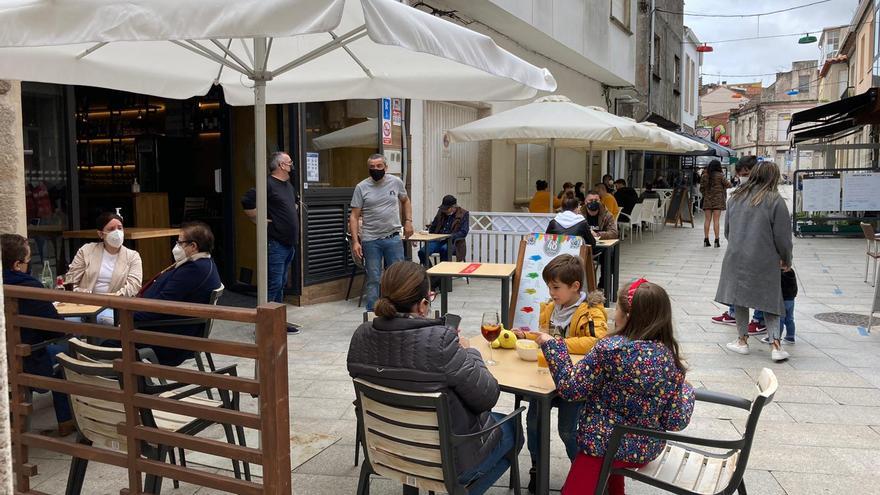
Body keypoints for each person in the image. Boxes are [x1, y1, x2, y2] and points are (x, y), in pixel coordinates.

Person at [347, 261, 522, 495]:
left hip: (386, 450)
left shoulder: (361, 336)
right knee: (513, 427)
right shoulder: (441, 343)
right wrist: (469, 352)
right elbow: (487, 396)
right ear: (422, 305)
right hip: (443, 461)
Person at [535, 279, 694, 495]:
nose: (613, 313)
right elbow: (675, 421)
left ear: (627, 316)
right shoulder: (671, 359)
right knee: (613, 474)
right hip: (646, 449)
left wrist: (552, 346)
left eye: (617, 307)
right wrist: (686, 391)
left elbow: (571, 389)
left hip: (602, 446)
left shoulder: (610, 350)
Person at [512, 255, 608, 493]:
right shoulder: (550, 308)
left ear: (575, 286)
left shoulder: (591, 312)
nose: (551, 292)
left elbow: (597, 341)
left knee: (568, 430)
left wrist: (557, 345)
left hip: (576, 382)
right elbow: (543, 335)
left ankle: (584, 472)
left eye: (556, 287)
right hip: (547, 377)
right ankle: (536, 467)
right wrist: (526, 336)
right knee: (534, 420)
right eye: (549, 287)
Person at [716, 162, 793, 363]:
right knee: (770, 300)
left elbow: (727, 231)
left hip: (736, 256)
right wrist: (786, 258)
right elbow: (783, 237)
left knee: (739, 298)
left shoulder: (735, 198)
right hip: (765, 258)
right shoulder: (775, 200)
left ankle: (742, 341)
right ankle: (776, 346)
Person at [1, 233, 74, 435]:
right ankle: (68, 421)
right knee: (68, 351)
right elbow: (56, 329)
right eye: (28, 261)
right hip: (25, 359)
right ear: (17, 265)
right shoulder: (28, 287)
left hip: (7, 355)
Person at [134, 222, 222, 366]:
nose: (176, 247)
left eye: (180, 243)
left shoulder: (194, 270)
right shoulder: (203, 263)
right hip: (167, 328)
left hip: (168, 338)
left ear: (193, 246)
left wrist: (126, 315)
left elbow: (161, 306)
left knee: (105, 338)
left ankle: (112, 383)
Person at [241, 151, 301, 334]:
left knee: (281, 283)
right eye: (290, 162)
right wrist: (258, 219)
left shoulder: (288, 185)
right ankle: (264, 327)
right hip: (275, 243)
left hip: (288, 243)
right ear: (282, 165)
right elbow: (247, 201)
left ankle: (277, 322)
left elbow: (292, 204)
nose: (292, 165)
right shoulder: (267, 184)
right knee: (273, 284)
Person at [349, 154, 413, 311]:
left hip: (393, 237)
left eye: (379, 166)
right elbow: (354, 216)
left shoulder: (396, 182)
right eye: (372, 167)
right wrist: (356, 241)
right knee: (374, 278)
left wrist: (408, 222)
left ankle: (398, 310)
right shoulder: (361, 187)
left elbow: (405, 201)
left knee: (397, 277)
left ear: (386, 167)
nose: (375, 169)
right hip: (371, 240)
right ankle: (372, 314)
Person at [710, 155, 757, 326]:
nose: (743, 176)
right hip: (720, 203)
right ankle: (736, 313)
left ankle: (756, 318)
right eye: (741, 173)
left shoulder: (762, 195)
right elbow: (728, 227)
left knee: (755, 282)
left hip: (755, 247)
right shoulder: (734, 191)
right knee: (740, 280)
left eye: (746, 172)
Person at [64, 212, 142, 297]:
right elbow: (71, 279)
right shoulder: (86, 250)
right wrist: (80, 293)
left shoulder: (133, 256)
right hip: (85, 302)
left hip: (116, 305)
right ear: (101, 234)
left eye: (120, 228)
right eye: (111, 229)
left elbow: (133, 287)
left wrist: (109, 298)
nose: (117, 232)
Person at [418, 194, 469, 264]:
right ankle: (430, 271)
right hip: (438, 240)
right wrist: (428, 232)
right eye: (443, 208)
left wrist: (449, 237)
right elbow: (433, 226)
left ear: (453, 207)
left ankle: (444, 273)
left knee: (444, 249)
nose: (444, 210)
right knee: (422, 252)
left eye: (446, 209)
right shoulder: (441, 212)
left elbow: (464, 232)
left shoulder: (463, 213)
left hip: (454, 242)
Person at [758, 267, 798, 344]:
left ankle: (776, 338)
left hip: (781, 300)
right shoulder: (791, 271)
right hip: (790, 299)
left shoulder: (778, 273)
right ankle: (790, 337)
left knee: (779, 320)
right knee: (789, 319)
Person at [700, 159, 732, 248]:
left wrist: (706, 194)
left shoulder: (704, 176)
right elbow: (729, 185)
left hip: (707, 200)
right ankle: (716, 241)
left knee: (707, 220)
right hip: (718, 200)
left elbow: (701, 188)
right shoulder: (720, 175)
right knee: (716, 220)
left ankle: (706, 240)